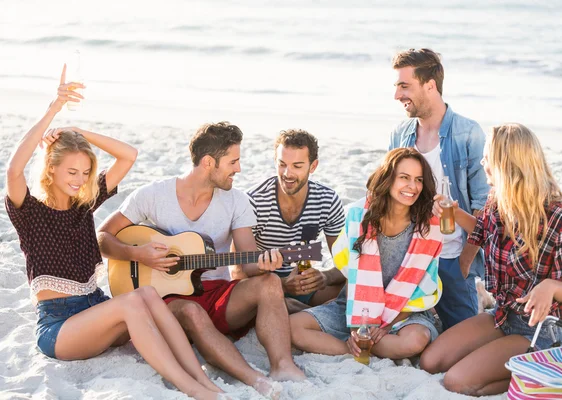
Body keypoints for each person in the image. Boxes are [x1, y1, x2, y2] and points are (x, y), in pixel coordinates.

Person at [4, 66, 222, 399]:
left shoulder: (83, 205)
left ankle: (201, 379)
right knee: (134, 302)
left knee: (147, 295)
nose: (79, 179)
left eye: (86, 171)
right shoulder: (30, 212)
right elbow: (14, 169)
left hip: (96, 310)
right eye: (71, 171)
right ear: (51, 168)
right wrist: (54, 109)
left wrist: (78, 131)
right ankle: (191, 387)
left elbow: (128, 155)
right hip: (59, 328)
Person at [97, 122, 305, 397]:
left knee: (269, 283)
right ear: (209, 162)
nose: (238, 169)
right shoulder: (153, 195)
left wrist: (267, 264)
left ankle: (283, 365)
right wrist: (138, 254)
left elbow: (249, 262)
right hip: (165, 299)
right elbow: (102, 238)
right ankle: (255, 380)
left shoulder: (237, 201)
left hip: (215, 295)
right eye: (233, 161)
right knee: (192, 312)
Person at [419, 123, 562, 396]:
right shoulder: (499, 201)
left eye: (488, 158)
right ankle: (504, 364)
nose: (483, 163)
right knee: (430, 362)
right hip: (502, 315)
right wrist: (455, 213)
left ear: (507, 164)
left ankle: (541, 375)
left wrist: (549, 287)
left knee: (456, 381)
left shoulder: (560, 218)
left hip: (539, 331)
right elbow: (483, 231)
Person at [290, 148, 443, 361]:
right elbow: (349, 272)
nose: (413, 186)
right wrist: (357, 327)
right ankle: (351, 348)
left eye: (418, 180)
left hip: (405, 310)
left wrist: (386, 323)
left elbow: (423, 287)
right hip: (356, 304)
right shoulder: (358, 217)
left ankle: (363, 344)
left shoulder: (428, 227)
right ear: (388, 179)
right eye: (404, 178)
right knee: (293, 327)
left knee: (414, 341)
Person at [389, 48, 490, 331]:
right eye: (397, 86)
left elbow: (483, 207)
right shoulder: (400, 134)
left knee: (462, 335)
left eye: (404, 86)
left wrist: (464, 263)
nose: (397, 95)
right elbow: (387, 195)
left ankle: (477, 294)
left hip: (451, 259)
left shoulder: (468, 133)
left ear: (430, 86)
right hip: (407, 255)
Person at [246, 129, 346, 313]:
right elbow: (237, 273)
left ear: (313, 166)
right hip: (264, 286)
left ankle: (302, 312)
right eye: (282, 164)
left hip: (305, 285)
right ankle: (301, 313)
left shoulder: (327, 200)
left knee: (353, 289)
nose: (287, 173)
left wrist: (324, 277)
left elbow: (347, 263)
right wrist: (283, 285)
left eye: (297, 166)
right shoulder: (254, 202)